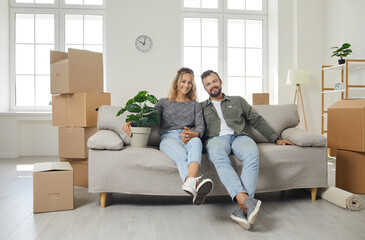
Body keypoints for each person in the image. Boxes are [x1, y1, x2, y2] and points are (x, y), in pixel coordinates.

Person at [199, 70, 294, 230]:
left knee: (252, 153)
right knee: (217, 155)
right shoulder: (201, 107)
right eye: (208, 84)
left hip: (239, 137)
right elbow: (197, 129)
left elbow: (256, 120)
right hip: (216, 140)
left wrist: (275, 138)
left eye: (214, 81)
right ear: (205, 88)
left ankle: (242, 210)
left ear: (221, 81)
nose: (212, 86)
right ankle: (245, 202)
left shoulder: (238, 101)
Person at [123, 67, 213, 205]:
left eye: (190, 83)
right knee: (183, 155)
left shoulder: (195, 105)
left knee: (197, 143)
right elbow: (150, 119)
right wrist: (130, 122)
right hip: (168, 138)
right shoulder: (164, 102)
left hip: (188, 136)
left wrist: (193, 134)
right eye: (183, 81)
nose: (186, 85)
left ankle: (190, 184)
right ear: (176, 82)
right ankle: (194, 185)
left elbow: (201, 127)